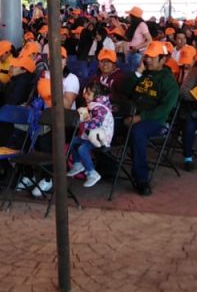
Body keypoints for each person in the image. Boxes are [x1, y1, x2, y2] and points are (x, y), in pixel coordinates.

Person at [120, 41, 179, 196]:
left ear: (163, 59)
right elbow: (124, 90)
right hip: (132, 115)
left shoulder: (168, 81)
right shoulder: (143, 73)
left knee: (137, 132)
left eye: (152, 57)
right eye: (147, 56)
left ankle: (142, 179)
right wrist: (139, 71)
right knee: (101, 124)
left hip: (155, 121)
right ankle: (107, 167)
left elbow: (164, 109)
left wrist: (140, 117)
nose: (148, 60)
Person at [66, 82, 114, 188]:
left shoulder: (100, 108)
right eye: (85, 93)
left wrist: (83, 122)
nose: (85, 96)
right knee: (73, 141)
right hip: (90, 136)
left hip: (100, 138)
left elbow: (96, 122)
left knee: (82, 149)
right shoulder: (92, 105)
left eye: (88, 94)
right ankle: (77, 164)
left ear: (97, 95)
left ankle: (92, 173)